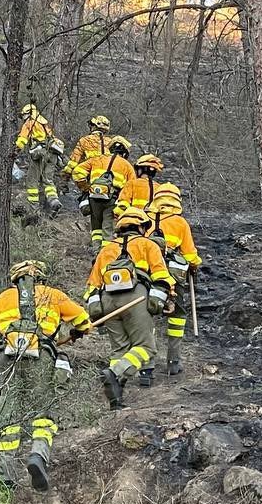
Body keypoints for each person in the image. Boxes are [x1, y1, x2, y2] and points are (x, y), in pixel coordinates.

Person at [0, 260, 92, 491]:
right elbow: (84, 321)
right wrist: (77, 331)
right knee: (43, 414)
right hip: (41, 357)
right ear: (41, 277)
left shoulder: (3, 298)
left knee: (7, 417)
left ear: (15, 279)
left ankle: (6, 475)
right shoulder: (54, 295)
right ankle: (38, 456)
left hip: (6, 359)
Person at [84, 208, 174, 408]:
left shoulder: (106, 249)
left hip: (107, 301)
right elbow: (162, 277)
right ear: (141, 227)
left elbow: (92, 285)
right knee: (146, 347)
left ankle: (116, 399)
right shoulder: (147, 244)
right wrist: (168, 299)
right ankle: (115, 373)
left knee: (120, 349)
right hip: (136, 298)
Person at [147, 182, 202, 376]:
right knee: (177, 316)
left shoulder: (144, 218)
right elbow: (189, 254)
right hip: (172, 276)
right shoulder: (180, 223)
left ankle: (147, 364)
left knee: (148, 317)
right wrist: (195, 265)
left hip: (147, 275)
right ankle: (173, 362)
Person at [71, 136, 135, 247]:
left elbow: (77, 172)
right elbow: (132, 187)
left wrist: (86, 187)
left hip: (94, 197)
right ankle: (105, 255)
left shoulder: (97, 159)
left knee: (96, 228)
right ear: (124, 152)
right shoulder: (127, 166)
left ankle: (96, 251)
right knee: (107, 228)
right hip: (112, 200)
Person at [14, 104, 65, 222]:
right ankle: (54, 201)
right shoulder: (44, 122)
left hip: (40, 153)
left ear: (28, 113)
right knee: (48, 180)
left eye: (23, 115)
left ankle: (34, 210)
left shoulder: (29, 123)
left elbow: (22, 140)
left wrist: (14, 152)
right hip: (52, 154)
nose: (23, 118)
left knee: (32, 182)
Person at [62, 115, 119, 180]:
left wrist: (66, 174)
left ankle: (85, 190)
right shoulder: (110, 141)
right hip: (110, 175)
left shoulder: (85, 140)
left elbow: (74, 161)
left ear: (95, 126)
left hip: (92, 173)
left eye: (92, 125)